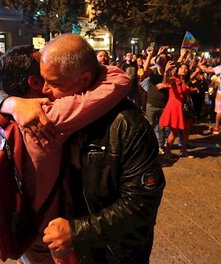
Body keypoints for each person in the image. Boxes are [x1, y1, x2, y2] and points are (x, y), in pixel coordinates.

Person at [0, 40, 131, 263]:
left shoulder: (4, 116)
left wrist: (6, 101)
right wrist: (86, 63)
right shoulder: (47, 116)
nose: (49, 87)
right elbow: (120, 79)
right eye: (46, 76)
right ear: (34, 81)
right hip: (48, 236)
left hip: (21, 226)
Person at [38, 35, 165, 263]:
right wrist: (6, 101)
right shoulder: (63, 111)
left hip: (115, 253)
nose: (44, 90)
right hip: (79, 250)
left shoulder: (127, 124)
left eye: (54, 83)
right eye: (43, 80)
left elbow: (141, 204)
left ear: (84, 79)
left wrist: (77, 231)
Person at [159, 62, 194, 159]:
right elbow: (166, 80)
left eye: (186, 68)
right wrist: (166, 71)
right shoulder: (174, 80)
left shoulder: (187, 81)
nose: (184, 69)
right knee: (174, 131)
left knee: (186, 130)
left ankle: (183, 151)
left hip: (184, 109)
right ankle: (167, 153)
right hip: (175, 108)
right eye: (182, 68)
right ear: (177, 70)